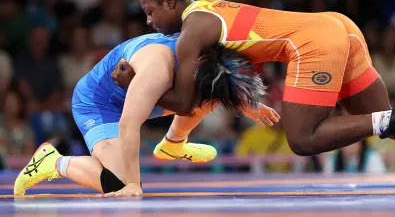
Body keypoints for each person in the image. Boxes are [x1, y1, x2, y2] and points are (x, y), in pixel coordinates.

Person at [112, 0, 395, 194]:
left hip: (313, 40)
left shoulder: (191, 32)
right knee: (386, 123)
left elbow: (185, 101)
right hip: (337, 26)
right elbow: (216, 84)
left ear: (170, 2)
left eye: (150, 11)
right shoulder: (208, 10)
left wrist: (133, 85)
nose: (148, 21)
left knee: (302, 139)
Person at [13, 32, 279, 197]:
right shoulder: (157, 69)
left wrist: (244, 102)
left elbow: (220, 79)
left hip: (143, 92)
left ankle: (173, 144)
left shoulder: (207, 51)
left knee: (203, 98)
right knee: (117, 184)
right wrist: (132, 184)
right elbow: (130, 124)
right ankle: (53, 162)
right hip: (100, 104)